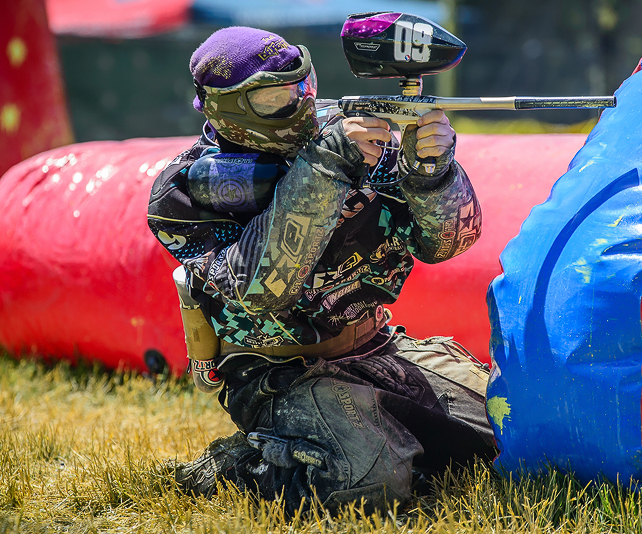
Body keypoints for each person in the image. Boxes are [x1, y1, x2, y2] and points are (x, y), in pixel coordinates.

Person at [147, 26, 495, 513]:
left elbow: (447, 243)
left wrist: (432, 174)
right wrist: (326, 168)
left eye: (302, 86)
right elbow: (263, 286)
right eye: (275, 98)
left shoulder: (360, 146)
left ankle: (388, 430)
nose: (301, 105)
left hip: (377, 346)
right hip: (277, 373)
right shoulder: (185, 193)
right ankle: (238, 465)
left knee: (509, 427)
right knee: (369, 483)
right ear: (224, 107)